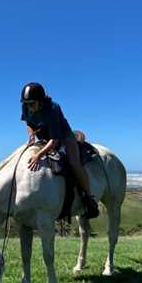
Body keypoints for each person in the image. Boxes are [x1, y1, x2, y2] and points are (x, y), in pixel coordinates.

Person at [20, 82, 100, 219]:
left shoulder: (53, 108)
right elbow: (27, 122)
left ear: (40, 101)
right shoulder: (26, 106)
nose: (29, 107)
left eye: (32, 104)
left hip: (64, 137)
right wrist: (31, 133)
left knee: (74, 163)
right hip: (43, 137)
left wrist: (38, 156)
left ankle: (89, 199)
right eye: (27, 103)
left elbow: (54, 140)